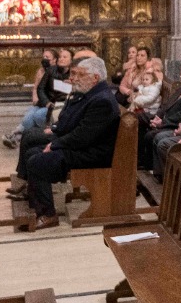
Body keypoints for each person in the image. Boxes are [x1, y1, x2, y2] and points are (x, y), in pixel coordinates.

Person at [20, 56, 121, 230]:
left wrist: (55, 144)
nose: (75, 79)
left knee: (37, 161)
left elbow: (83, 136)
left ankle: (48, 214)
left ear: (95, 78)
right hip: (86, 147)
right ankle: (37, 202)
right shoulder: (93, 94)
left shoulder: (101, 100)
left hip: (94, 154)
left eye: (80, 75)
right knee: (32, 153)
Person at [4, 48, 71, 149]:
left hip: (58, 105)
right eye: (61, 57)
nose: (61, 59)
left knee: (38, 116)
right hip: (45, 102)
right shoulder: (48, 71)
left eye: (64, 57)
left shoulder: (72, 74)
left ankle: (19, 137)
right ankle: (19, 137)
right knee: (28, 117)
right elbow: (39, 88)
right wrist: (44, 101)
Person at [142, 61, 181, 170]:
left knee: (152, 136)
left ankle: (152, 170)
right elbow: (167, 105)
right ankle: (143, 164)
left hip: (174, 125)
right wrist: (158, 117)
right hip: (166, 120)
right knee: (141, 119)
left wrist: (163, 123)